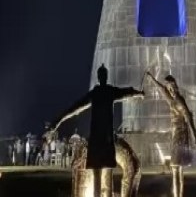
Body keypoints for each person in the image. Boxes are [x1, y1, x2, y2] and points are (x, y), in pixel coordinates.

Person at [47, 64, 144, 197]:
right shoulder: (108, 92)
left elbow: (75, 108)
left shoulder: (97, 93)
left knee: (100, 178)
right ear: (103, 77)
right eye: (104, 75)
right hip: (104, 140)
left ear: (99, 77)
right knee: (105, 177)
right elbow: (126, 92)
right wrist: (138, 93)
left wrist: (58, 121)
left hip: (98, 141)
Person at [145, 72, 196, 197]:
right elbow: (162, 90)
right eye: (168, 88)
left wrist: (194, 137)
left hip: (180, 138)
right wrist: (152, 79)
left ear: (174, 86)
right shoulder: (172, 100)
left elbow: (188, 117)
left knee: (176, 168)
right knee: (177, 169)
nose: (169, 89)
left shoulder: (179, 101)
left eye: (170, 87)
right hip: (176, 136)